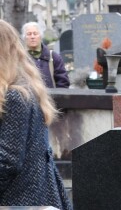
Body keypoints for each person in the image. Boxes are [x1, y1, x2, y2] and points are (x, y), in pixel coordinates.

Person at [0, 19, 72, 209]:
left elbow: (7, 162)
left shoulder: (16, 96)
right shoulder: (22, 88)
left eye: (35, 33)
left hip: (20, 200)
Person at [22, 22, 70, 88]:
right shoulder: (19, 58)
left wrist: (57, 97)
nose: (32, 37)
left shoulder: (53, 57)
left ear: (40, 36)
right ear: (24, 37)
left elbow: (63, 83)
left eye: (35, 34)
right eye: (29, 34)